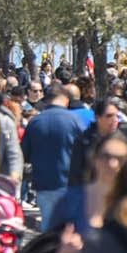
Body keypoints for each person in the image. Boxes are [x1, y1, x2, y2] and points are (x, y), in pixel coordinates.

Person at [20, 84, 87, 227]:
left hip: (43, 183)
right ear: (65, 99)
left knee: (48, 228)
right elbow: (86, 152)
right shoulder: (74, 121)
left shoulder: (35, 122)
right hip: (70, 183)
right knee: (69, 229)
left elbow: (25, 154)